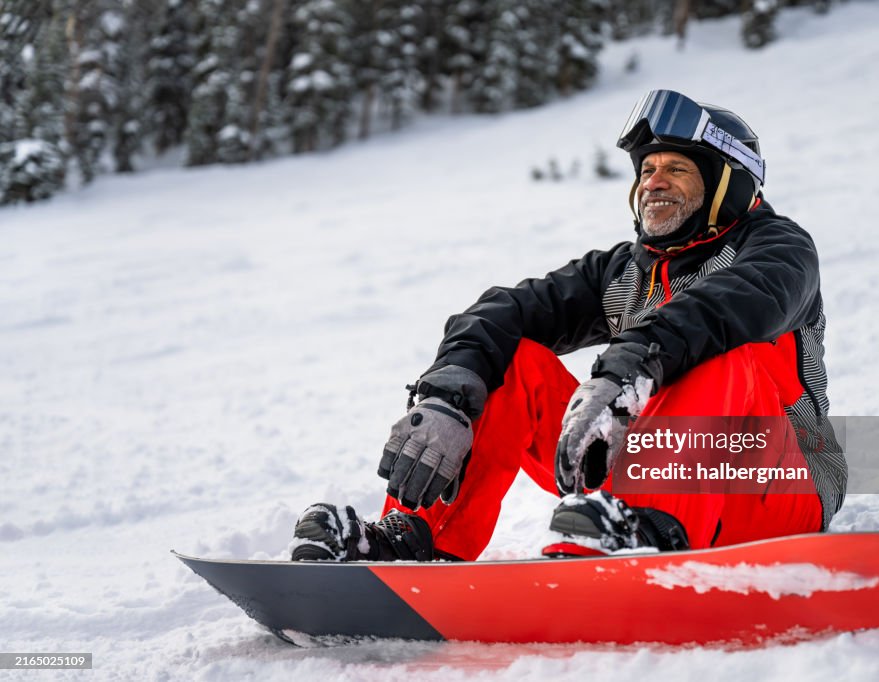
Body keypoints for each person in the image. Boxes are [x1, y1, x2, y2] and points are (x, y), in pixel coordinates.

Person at [289, 89, 847, 563]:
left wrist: (628, 367)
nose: (654, 182)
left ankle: (648, 531)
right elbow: (506, 310)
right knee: (512, 357)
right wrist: (448, 396)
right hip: (643, 475)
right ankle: (421, 536)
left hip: (775, 483)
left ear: (729, 183)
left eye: (676, 168)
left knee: (721, 353)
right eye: (647, 169)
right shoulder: (626, 270)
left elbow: (725, 308)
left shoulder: (779, 249)